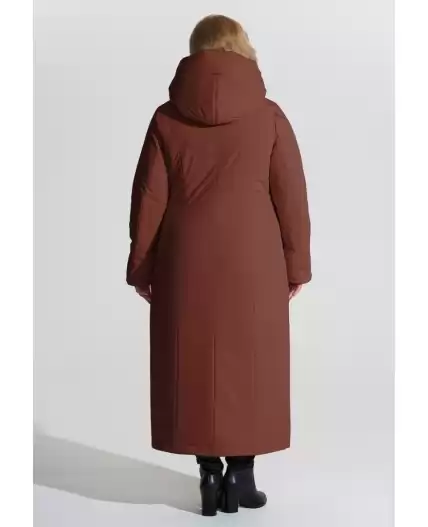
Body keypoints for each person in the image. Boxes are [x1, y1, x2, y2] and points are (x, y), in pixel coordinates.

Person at [126, 14, 311, 516]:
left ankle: (209, 475)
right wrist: (296, 265)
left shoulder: (166, 118)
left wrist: (142, 267)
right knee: (251, 364)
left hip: (184, 260)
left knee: (192, 363)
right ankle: (241, 477)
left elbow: (148, 199)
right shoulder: (269, 116)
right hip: (255, 262)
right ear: (242, 48)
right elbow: (291, 198)